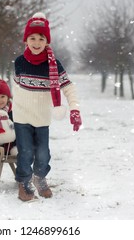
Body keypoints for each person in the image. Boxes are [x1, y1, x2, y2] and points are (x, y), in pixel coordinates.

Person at [12, 12, 82, 201]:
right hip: (21, 117)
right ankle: (24, 184)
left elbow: (67, 86)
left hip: (42, 117)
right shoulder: (19, 62)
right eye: (32, 38)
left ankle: (40, 178)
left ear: (46, 41)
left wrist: (74, 108)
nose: (36, 42)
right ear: (26, 40)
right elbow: (16, 88)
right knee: (25, 152)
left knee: (43, 154)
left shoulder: (53, 64)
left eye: (40, 38)